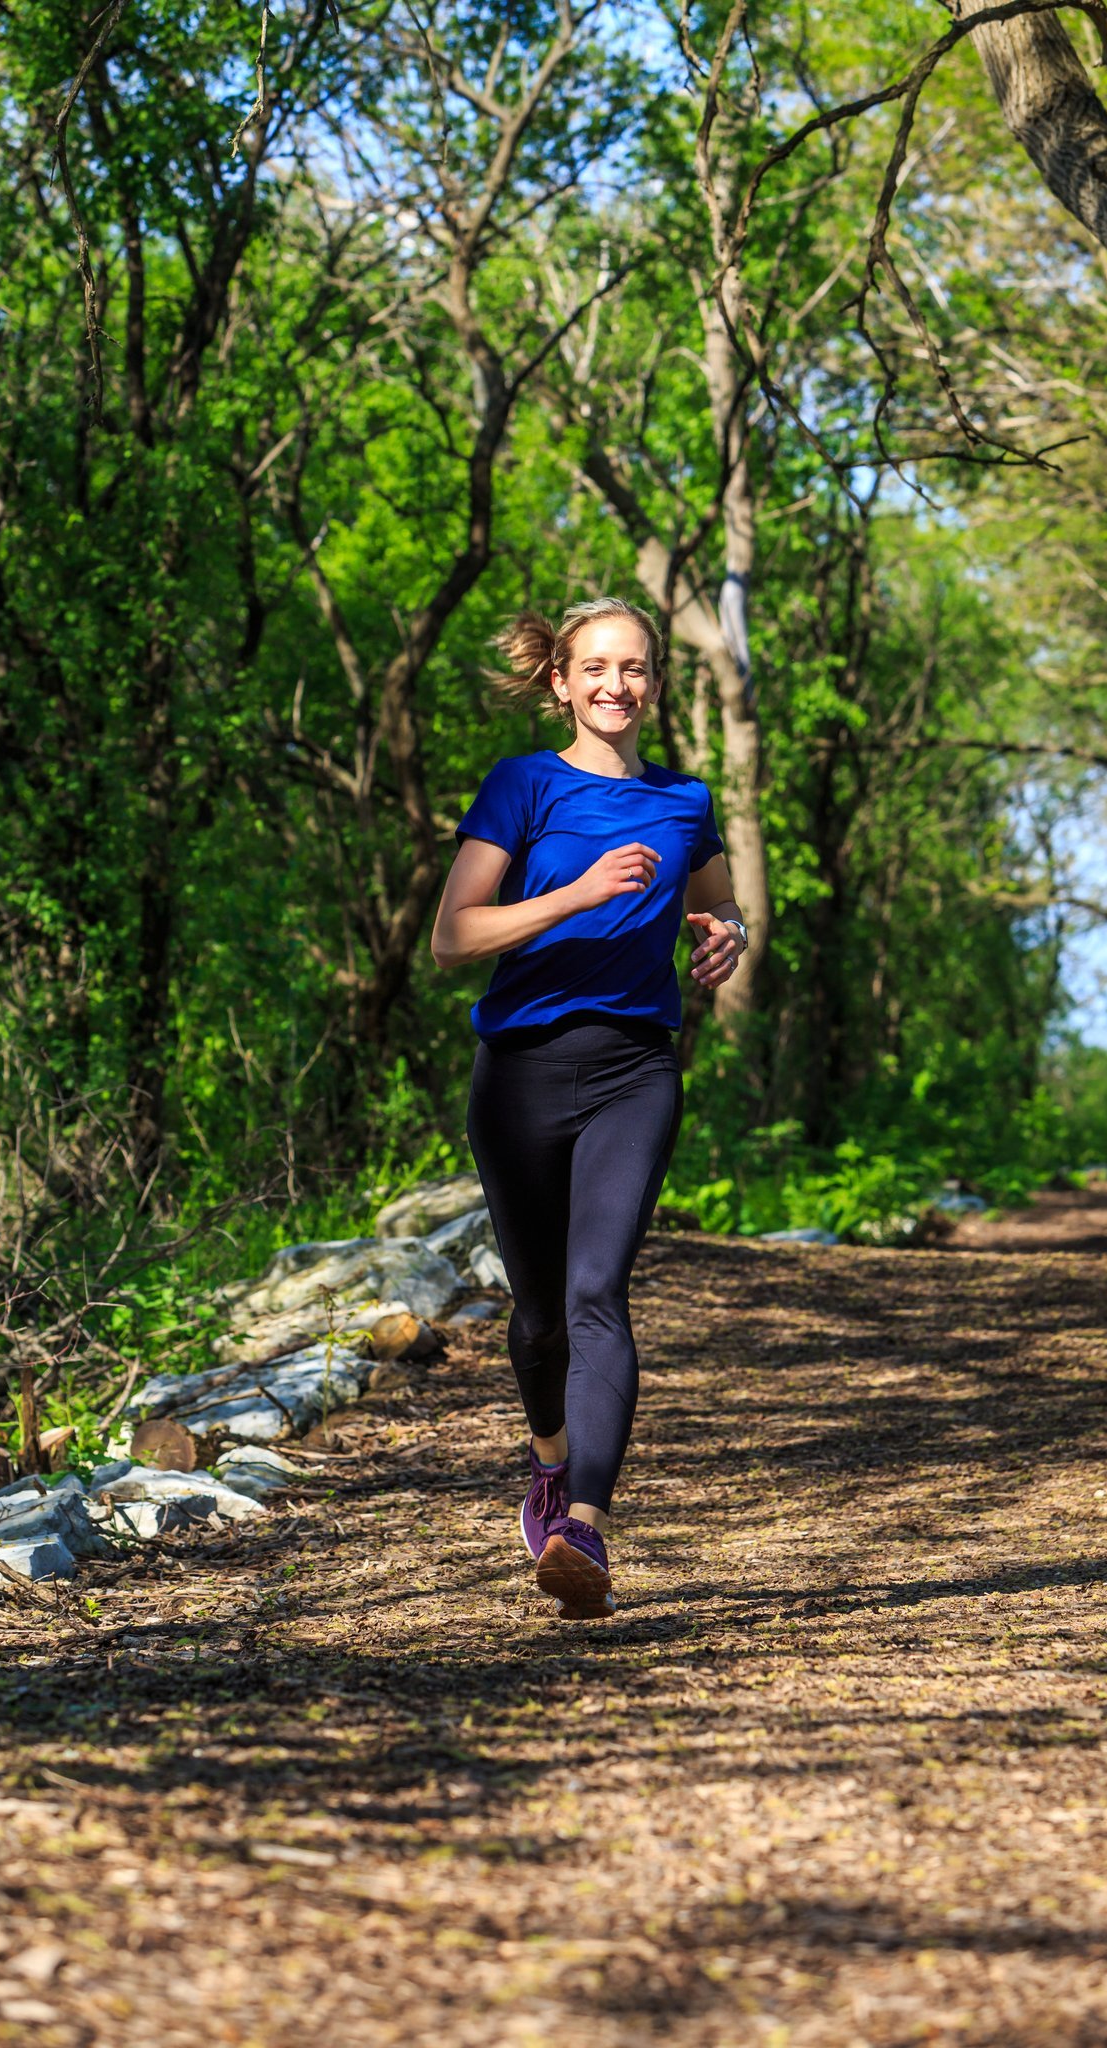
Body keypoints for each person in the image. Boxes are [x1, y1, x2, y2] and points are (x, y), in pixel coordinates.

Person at [430, 597, 748, 1620]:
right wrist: (575, 894)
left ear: (656, 682)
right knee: (539, 1322)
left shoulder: (686, 799)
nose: (618, 683)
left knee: (597, 1290)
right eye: (597, 667)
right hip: (520, 1069)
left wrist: (723, 937)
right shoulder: (524, 783)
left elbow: (719, 903)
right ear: (562, 681)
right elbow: (454, 934)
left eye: (637, 667)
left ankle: (586, 1532)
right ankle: (550, 1462)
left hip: (633, 1068)